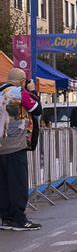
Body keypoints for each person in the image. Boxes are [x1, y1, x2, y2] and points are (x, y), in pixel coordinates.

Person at [0, 69, 42, 231]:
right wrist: (31, 91)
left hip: (1, 145)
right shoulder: (19, 92)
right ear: (22, 81)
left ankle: (6, 218)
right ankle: (19, 219)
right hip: (16, 145)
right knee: (18, 182)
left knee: (4, 183)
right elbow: (37, 110)